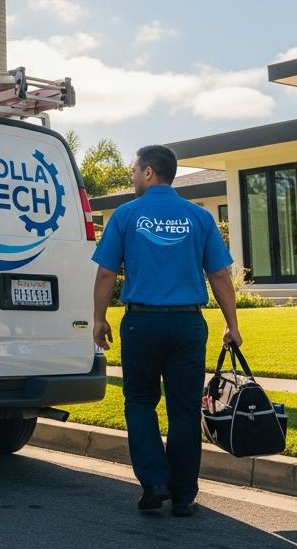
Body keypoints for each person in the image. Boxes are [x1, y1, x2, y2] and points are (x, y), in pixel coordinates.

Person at [91, 145, 241, 515]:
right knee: (184, 409)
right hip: (188, 324)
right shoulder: (199, 217)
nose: (131, 175)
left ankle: (155, 482)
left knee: (140, 401)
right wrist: (232, 325)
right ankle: (184, 493)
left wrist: (98, 318)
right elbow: (219, 274)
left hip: (142, 323)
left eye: (134, 169)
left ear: (148, 173)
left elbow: (107, 272)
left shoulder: (126, 215)